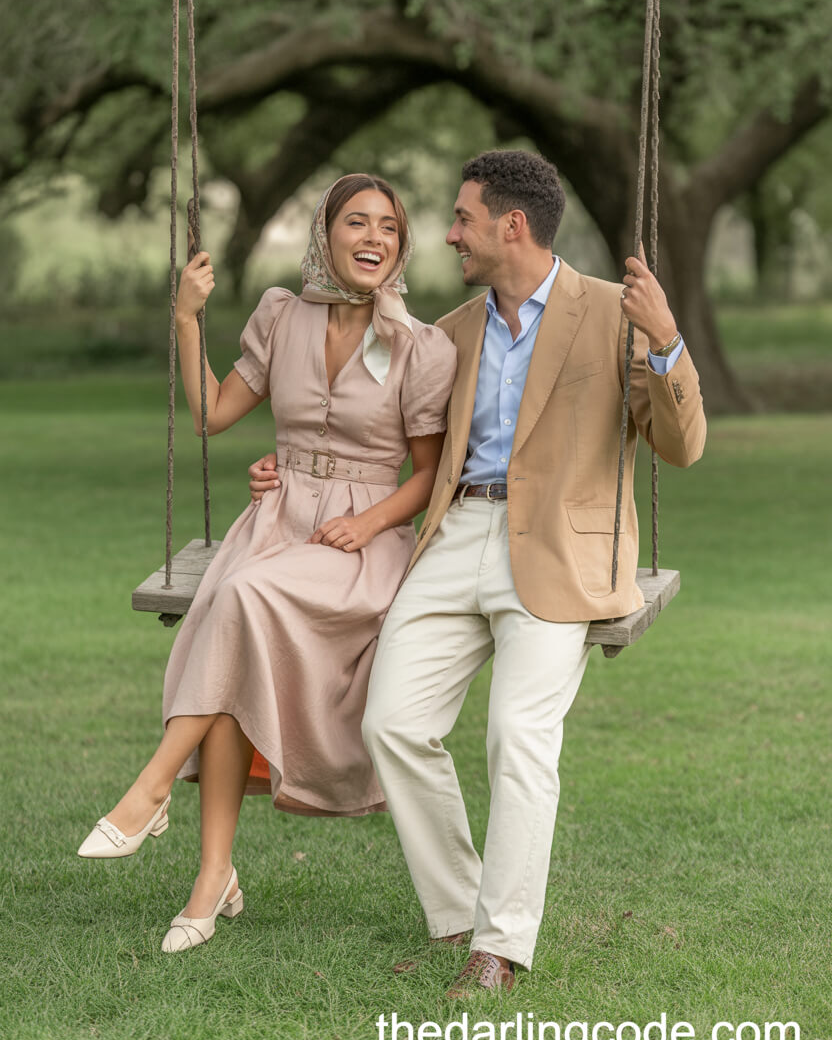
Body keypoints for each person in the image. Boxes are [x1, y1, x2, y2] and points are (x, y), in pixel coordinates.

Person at [253, 149, 707, 997]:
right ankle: (461, 905)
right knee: (390, 723)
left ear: (512, 225)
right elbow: (370, 431)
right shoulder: (447, 334)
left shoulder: (613, 314)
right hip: (456, 531)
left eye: (461, 218)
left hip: (561, 551)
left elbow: (680, 447)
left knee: (516, 739)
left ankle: (498, 948)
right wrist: (285, 473)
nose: (449, 234)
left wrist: (667, 340)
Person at [77, 173, 457, 954]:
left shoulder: (420, 345)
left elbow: (426, 476)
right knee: (237, 628)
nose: (375, 239)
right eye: (358, 222)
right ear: (326, 233)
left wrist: (369, 519)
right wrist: (185, 320)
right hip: (277, 521)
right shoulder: (282, 314)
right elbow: (215, 414)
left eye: (389, 227)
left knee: (240, 598)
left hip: (360, 541)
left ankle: (152, 788)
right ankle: (212, 876)